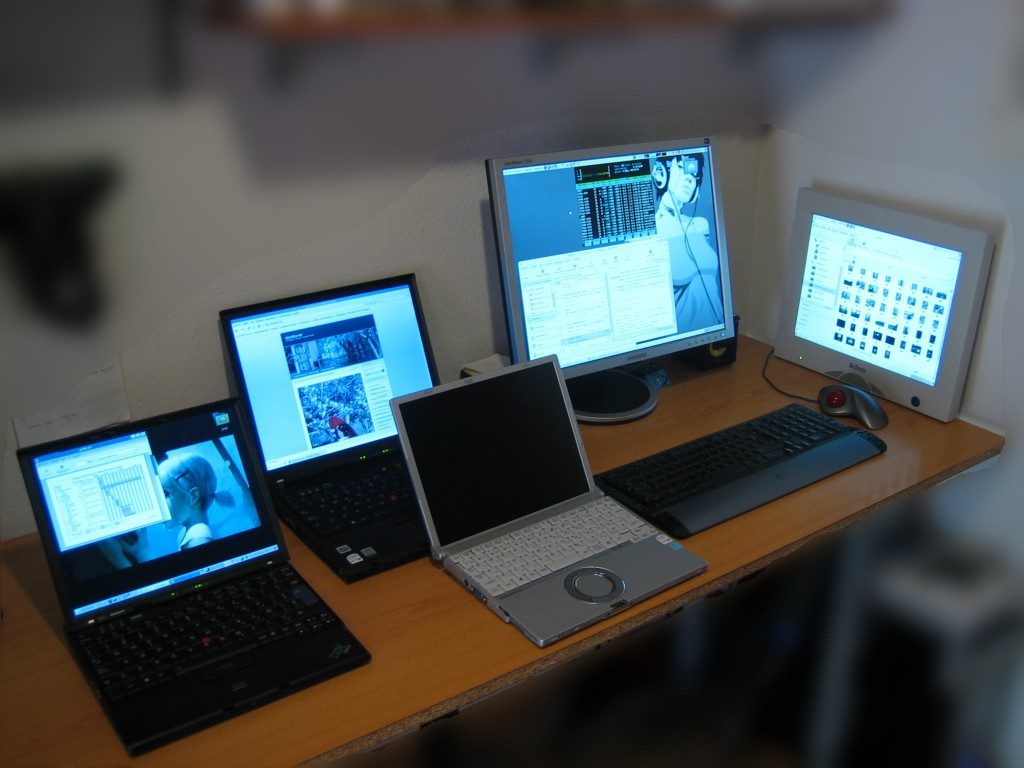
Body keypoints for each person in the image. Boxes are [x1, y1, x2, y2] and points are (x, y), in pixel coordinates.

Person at [654, 153, 724, 331]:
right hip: (676, 341)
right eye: (682, 168)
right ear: (661, 172)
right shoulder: (654, 230)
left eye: (695, 175)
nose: (689, 179)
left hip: (711, 337)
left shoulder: (700, 225)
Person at [158, 453, 232, 550]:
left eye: (165, 494)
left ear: (193, 496)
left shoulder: (198, 538)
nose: (158, 504)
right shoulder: (187, 533)